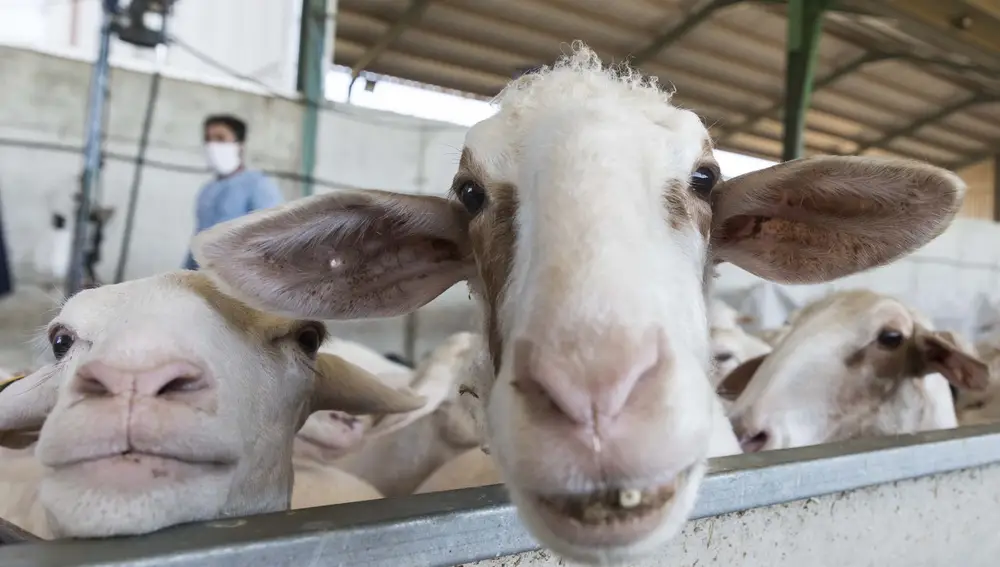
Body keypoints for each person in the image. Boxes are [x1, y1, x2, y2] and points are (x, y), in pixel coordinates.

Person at [183, 114, 284, 270]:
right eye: (208, 139)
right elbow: (198, 240)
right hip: (201, 277)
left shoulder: (259, 185)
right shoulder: (207, 190)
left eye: (220, 138)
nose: (212, 145)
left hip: (239, 280)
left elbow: (272, 239)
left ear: (240, 145)